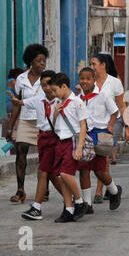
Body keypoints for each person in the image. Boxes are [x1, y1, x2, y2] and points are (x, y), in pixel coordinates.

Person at [9, 70, 64, 220]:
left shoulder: (61, 101)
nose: (46, 88)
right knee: (52, 174)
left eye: (48, 84)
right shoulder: (39, 99)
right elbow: (23, 103)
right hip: (43, 139)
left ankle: (36, 207)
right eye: (43, 85)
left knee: (42, 172)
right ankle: (71, 200)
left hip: (54, 139)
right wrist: (16, 101)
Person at [76, 67, 123, 214]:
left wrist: (110, 125)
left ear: (93, 80)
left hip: (99, 135)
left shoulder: (102, 95)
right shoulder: (78, 98)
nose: (84, 82)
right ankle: (87, 204)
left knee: (99, 170)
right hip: (84, 135)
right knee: (83, 169)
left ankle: (114, 191)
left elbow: (115, 111)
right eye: (82, 78)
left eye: (88, 79)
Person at [6, 44, 48, 203]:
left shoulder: (47, 79)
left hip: (42, 120)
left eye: (44, 61)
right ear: (31, 62)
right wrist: (11, 126)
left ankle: (45, 189)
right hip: (25, 119)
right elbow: (17, 103)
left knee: (44, 156)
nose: (42, 64)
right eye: (39, 61)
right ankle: (20, 190)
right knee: (20, 150)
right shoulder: (21, 79)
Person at [89, 53, 129, 204]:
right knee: (92, 159)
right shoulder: (89, 81)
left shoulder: (114, 82)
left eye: (94, 64)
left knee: (104, 156)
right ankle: (110, 187)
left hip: (111, 124)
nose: (92, 67)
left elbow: (121, 105)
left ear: (103, 65)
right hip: (92, 125)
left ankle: (99, 190)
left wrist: (127, 125)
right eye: (91, 64)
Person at [49, 73, 90, 223]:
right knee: (62, 176)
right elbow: (55, 125)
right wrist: (55, 114)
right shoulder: (58, 103)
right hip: (60, 141)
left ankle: (79, 202)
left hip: (72, 141)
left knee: (67, 174)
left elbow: (83, 125)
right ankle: (68, 208)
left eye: (55, 90)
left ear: (64, 86)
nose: (53, 94)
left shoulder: (76, 102)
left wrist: (79, 147)